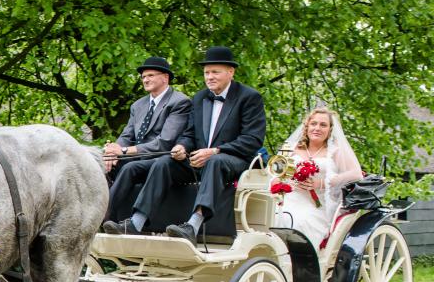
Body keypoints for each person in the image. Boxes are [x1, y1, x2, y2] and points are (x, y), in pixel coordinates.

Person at [102, 46, 266, 243]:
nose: (210, 77)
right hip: (199, 159)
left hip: (233, 160)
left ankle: (193, 225)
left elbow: (253, 139)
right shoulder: (199, 98)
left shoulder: (249, 97)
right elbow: (189, 134)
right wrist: (181, 147)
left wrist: (215, 150)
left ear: (230, 72)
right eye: (206, 72)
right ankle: (136, 222)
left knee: (215, 161)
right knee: (163, 163)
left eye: (215, 72)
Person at [103, 56, 191, 223]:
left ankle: (103, 215)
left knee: (130, 168)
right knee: (100, 166)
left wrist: (123, 151)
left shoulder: (180, 102)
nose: (145, 79)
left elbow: (165, 141)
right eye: (143, 76)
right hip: (136, 157)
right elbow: (127, 135)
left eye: (150, 75)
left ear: (165, 77)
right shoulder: (138, 105)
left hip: (161, 158)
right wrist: (113, 151)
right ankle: (105, 220)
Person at [274, 106, 363, 247]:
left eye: (323, 125)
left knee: (298, 221)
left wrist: (322, 183)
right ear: (307, 126)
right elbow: (275, 174)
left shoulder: (335, 151)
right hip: (288, 199)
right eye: (313, 123)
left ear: (330, 130)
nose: (317, 128)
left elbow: (356, 174)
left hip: (317, 205)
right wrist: (285, 184)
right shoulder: (289, 147)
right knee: (273, 216)